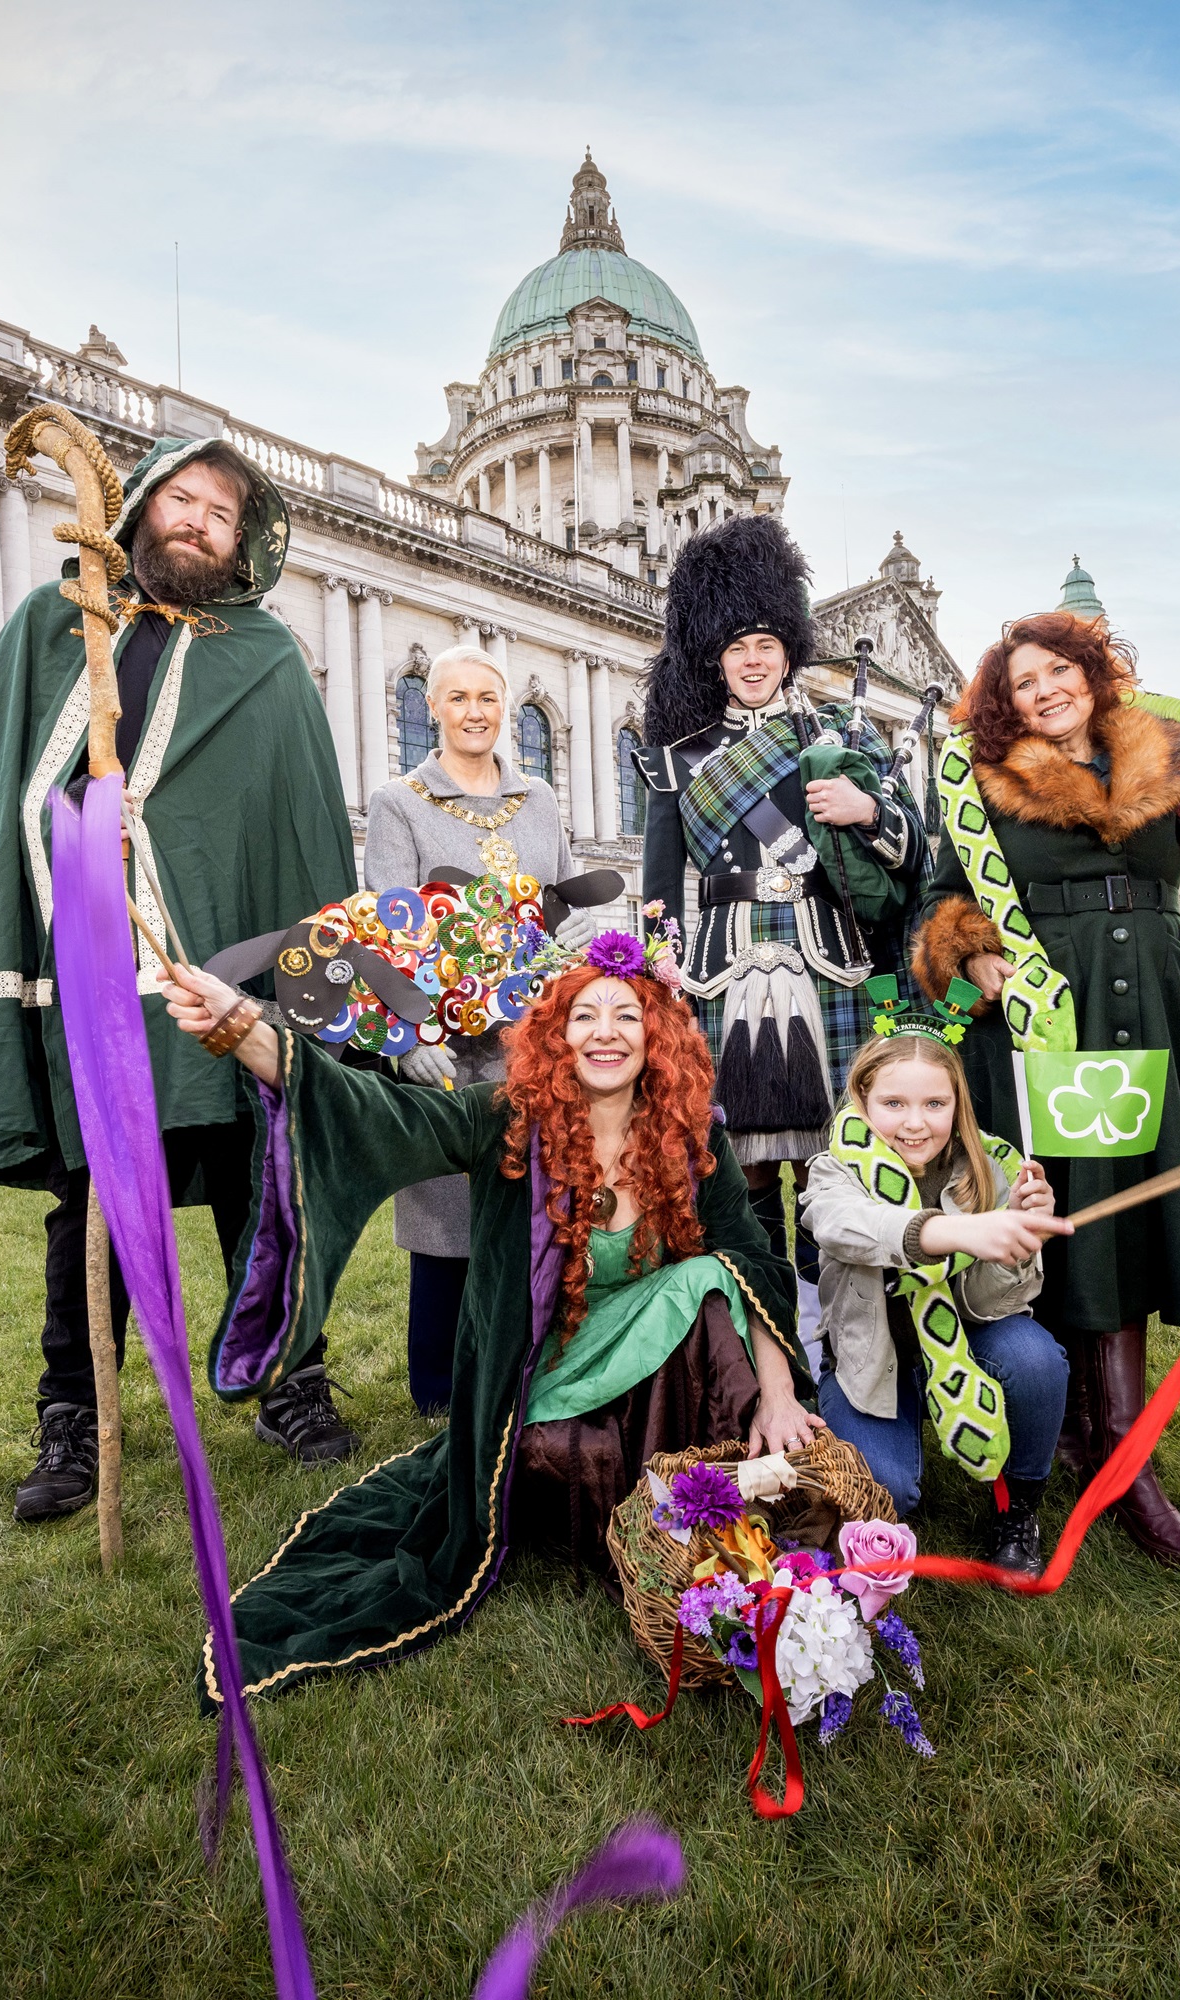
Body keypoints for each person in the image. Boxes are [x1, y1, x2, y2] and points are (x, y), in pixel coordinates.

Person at [0, 434, 363, 1524]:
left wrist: (299, 980)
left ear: (243, 539)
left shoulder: (271, 659)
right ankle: (73, 1414)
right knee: (87, 1199)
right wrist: (76, 826)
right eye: (184, 500)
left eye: (222, 513)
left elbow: (290, 825)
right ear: (145, 506)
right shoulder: (55, 626)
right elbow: (2, 789)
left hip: (225, 971)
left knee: (256, 1175)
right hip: (94, 963)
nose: (199, 522)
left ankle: (287, 1380)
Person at [162, 925, 814, 1707]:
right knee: (545, 1456)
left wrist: (779, 1395)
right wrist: (246, 1029)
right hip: (541, 1378)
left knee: (709, 1278)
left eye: (626, 1017)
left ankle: (726, 1501)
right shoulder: (512, 1121)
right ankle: (658, 1514)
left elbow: (755, 1269)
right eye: (584, 1016)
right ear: (556, 1034)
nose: (604, 1033)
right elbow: (380, 1115)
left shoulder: (692, 1136)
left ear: (659, 1036)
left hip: (654, 1368)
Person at [910, 608, 1180, 1568]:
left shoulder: (1167, 754)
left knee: (1128, 1216)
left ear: (1092, 672)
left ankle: (1119, 1450)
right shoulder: (978, 782)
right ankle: (1081, 1433)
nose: (1045, 692)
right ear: (1004, 703)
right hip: (1043, 1012)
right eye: (1023, 684)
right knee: (1056, 1207)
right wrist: (975, 955)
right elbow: (944, 893)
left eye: (1058, 672)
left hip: (1145, 1003)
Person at [634, 514, 925, 1346]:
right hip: (727, 968)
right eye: (736, 646)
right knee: (744, 1160)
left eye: (766, 642)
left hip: (822, 956)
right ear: (714, 658)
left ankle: (840, 1321)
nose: (753, 659)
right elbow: (661, 891)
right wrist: (663, 974)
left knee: (830, 1158)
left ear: (788, 649)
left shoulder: (837, 741)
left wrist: (867, 809)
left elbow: (910, 851)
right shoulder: (677, 759)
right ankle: (768, 1325)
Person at [360, 643, 577, 1415]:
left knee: (537, 1213)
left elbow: (563, 912)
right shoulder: (399, 801)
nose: (475, 712)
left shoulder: (541, 800)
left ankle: (533, 1377)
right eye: (458, 698)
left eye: (488, 697)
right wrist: (412, 1035)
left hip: (535, 1043)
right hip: (447, 1050)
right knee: (447, 1219)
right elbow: (387, 932)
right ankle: (442, 1396)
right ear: (432, 707)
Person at [801, 1027, 1073, 1571]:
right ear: (862, 1100)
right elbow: (841, 1224)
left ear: (957, 1105)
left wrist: (1016, 1243)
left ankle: (1019, 1505)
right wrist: (952, 1233)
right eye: (893, 1103)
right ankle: (891, 1438)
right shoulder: (834, 1169)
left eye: (935, 1103)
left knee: (1036, 1360)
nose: (915, 1122)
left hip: (965, 1341)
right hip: (873, 1362)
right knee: (887, 1495)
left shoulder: (989, 1168)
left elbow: (986, 1306)